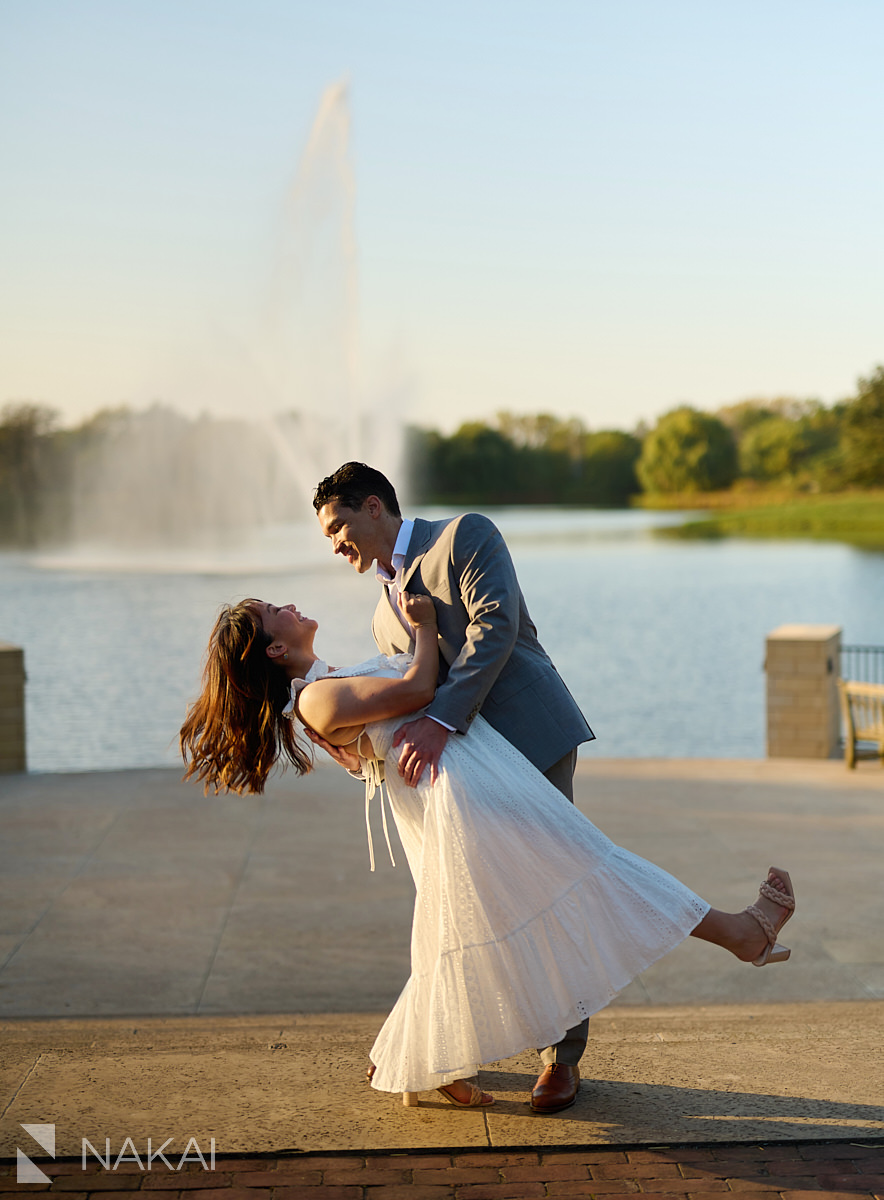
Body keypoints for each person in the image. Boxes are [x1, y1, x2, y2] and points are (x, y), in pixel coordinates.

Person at [180, 592, 796, 1112]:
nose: (288, 606)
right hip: (471, 795)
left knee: (490, 916)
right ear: (275, 651)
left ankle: (431, 1056)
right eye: (273, 612)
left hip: (470, 787)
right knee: (597, 872)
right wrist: (423, 626)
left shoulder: (322, 688)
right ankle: (745, 935)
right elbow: (422, 687)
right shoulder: (316, 699)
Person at [311, 461, 596, 1112]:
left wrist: (441, 720)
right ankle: (449, 1045)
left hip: (530, 739)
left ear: (375, 507)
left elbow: (493, 630)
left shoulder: (466, 535)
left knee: (555, 895)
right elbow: (405, 686)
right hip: (466, 778)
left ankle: (562, 1059)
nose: (336, 545)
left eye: (339, 526)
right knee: (475, 909)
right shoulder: (383, 612)